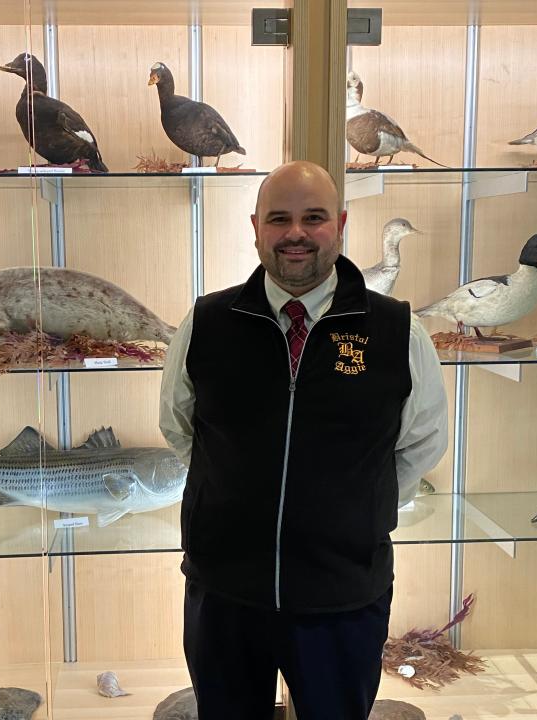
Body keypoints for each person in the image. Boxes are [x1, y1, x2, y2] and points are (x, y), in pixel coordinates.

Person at [158, 160, 448, 720]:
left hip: (343, 597)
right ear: (256, 227)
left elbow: (421, 443)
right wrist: (233, 492)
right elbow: (179, 426)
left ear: (339, 225)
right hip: (225, 593)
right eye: (280, 218)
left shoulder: (394, 331)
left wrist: (355, 509)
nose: (296, 233)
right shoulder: (207, 323)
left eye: (313, 218)